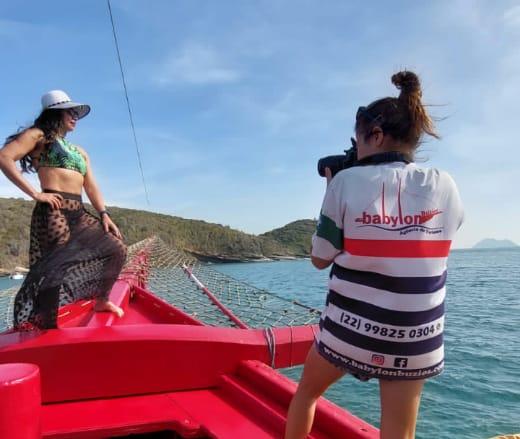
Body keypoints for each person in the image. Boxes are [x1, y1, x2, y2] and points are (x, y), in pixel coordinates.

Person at [285, 71, 464, 439]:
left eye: (358, 142)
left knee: (305, 395)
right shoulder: (445, 183)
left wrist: (333, 188)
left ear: (377, 136)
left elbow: (320, 258)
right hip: (417, 339)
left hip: (350, 332)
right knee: (399, 433)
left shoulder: (346, 183)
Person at [0, 90, 127, 330]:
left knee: (117, 248)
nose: (75, 116)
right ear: (55, 113)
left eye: (76, 112)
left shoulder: (80, 152)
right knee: (56, 264)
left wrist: (104, 214)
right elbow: (5, 157)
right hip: (53, 209)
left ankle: (102, 300)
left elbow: (91, 186)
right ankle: (48, 325)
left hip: (78, 212)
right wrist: (36, 194)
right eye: (70, 111)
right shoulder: (38, 136)